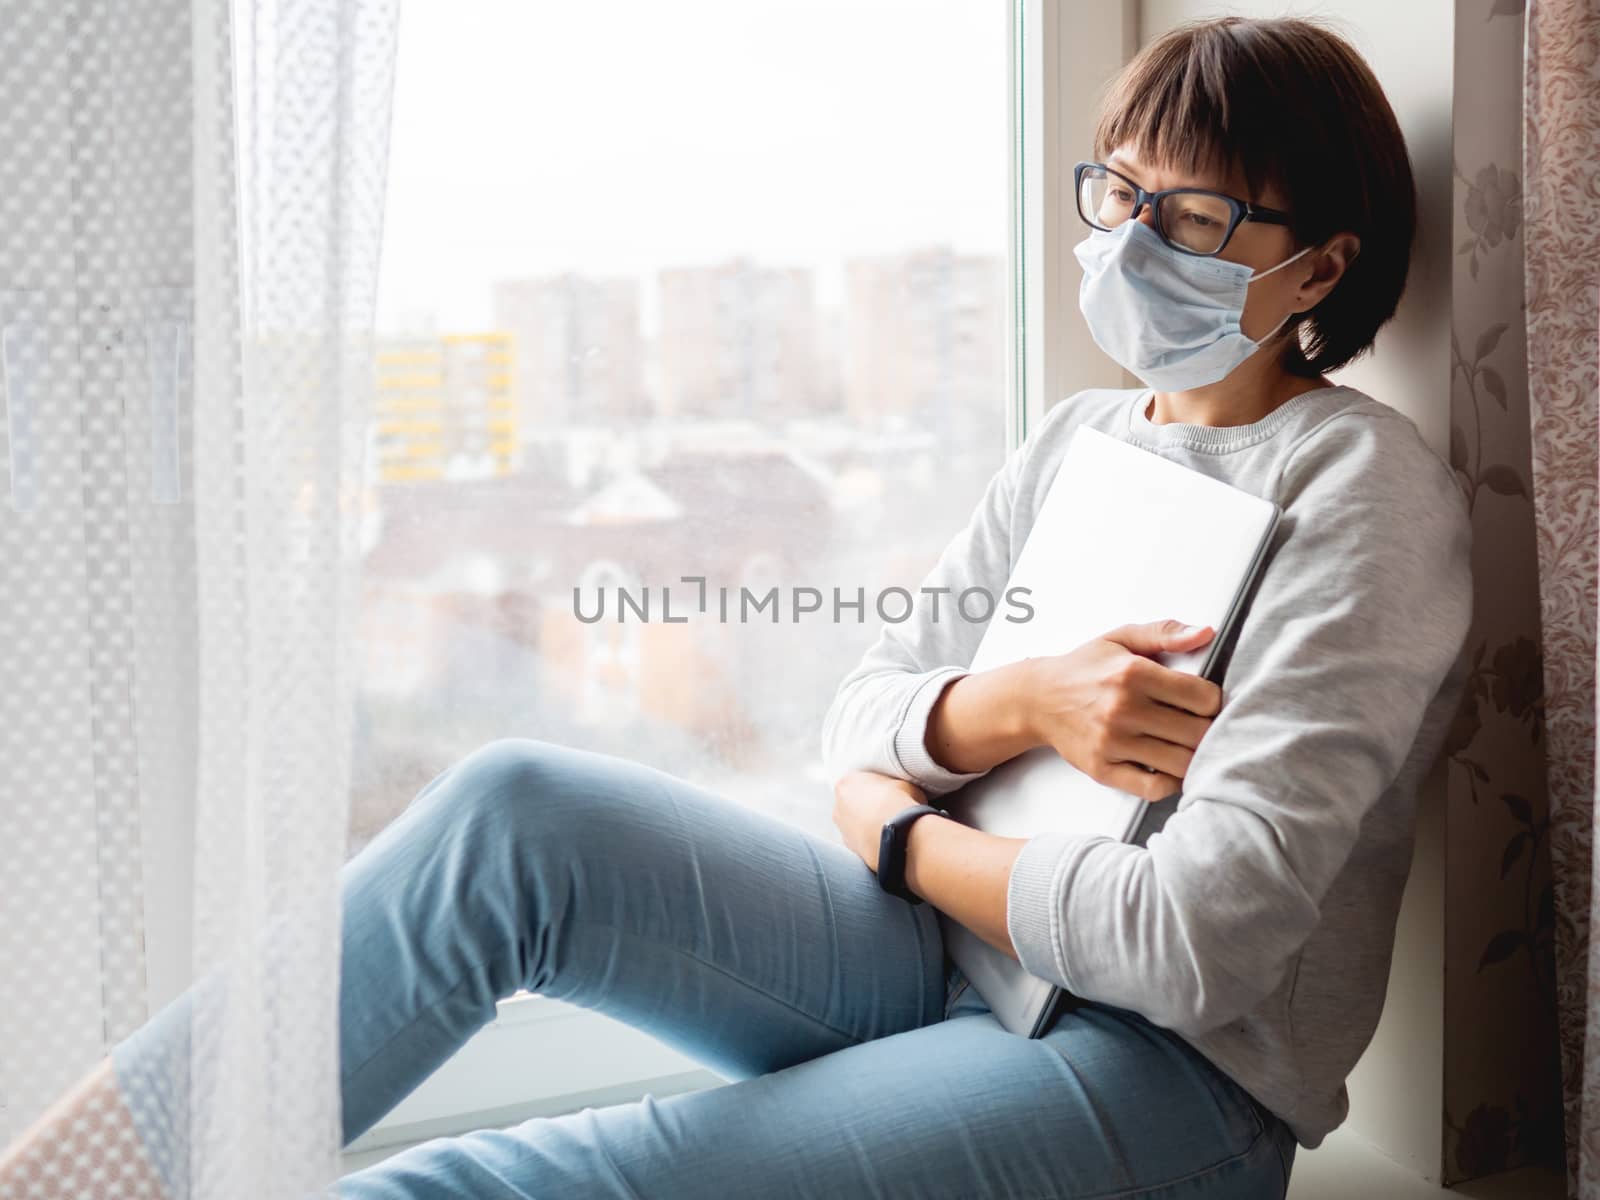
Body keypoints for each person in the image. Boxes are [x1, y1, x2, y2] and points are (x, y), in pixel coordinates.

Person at [0, 14, 1472, 1199]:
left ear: (1320, 268)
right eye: (1117, 191)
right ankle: (75, 1182)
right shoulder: (1081, 440)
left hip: (1164, 1084)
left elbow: (1191, 946)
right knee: (517, 813)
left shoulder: (1359, 492)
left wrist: (897, 831)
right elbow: (858, 710)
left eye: (1193, 213)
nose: (1133, 240)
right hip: (955, 960)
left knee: (500, 1180)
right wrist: (1009, 707)